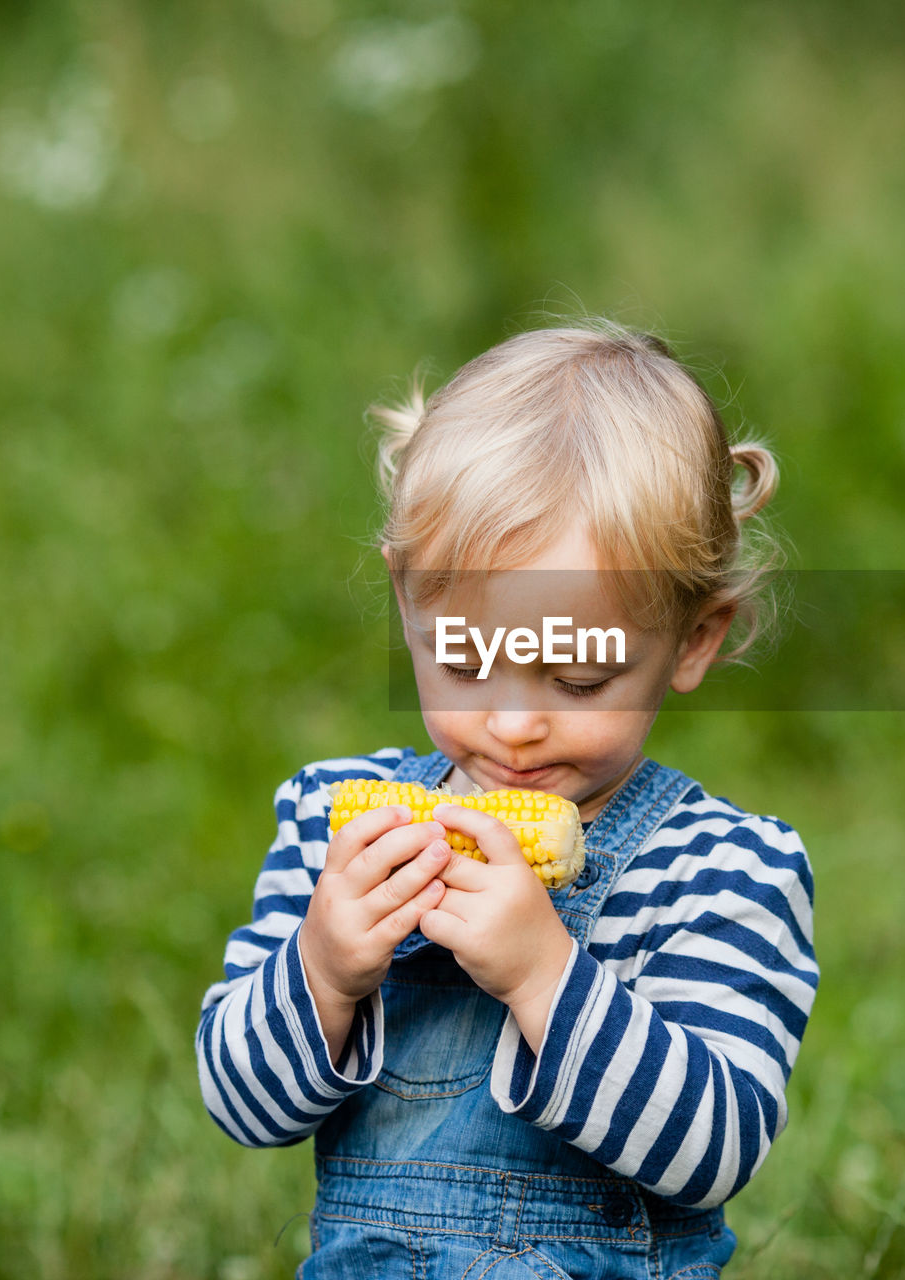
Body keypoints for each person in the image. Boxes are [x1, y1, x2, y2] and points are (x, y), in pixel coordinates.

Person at [196, 321, 818, 1277]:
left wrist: (546, 978)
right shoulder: (337, 823)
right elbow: (241, 1106)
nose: (515, 726)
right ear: (408, 604)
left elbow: (715, 1151)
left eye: (575, 681)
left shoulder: (721, 871)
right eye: (466, 662)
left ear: (695, 638)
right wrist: (322, 971)